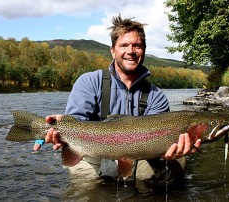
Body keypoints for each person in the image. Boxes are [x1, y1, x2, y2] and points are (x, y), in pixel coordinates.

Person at [33, 15, 201, 186]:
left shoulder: (155, 95)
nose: (131, 51)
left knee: (176, 164)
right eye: (124, 45)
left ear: (144, 50)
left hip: (139, 155)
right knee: (89, 191)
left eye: (137, 45)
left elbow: (160, 139)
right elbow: (77, 121)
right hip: (93, 152)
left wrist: (171, 151)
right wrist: (60, 126)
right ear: (113, 51)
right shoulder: (89, 81)